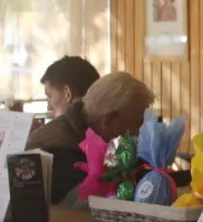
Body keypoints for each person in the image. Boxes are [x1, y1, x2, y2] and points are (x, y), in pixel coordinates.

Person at [24, 72, 178, 207]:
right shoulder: (59, 150)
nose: (141, 132)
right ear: (110, 121)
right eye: (138, 122)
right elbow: (87, 209)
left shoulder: (98, 134)